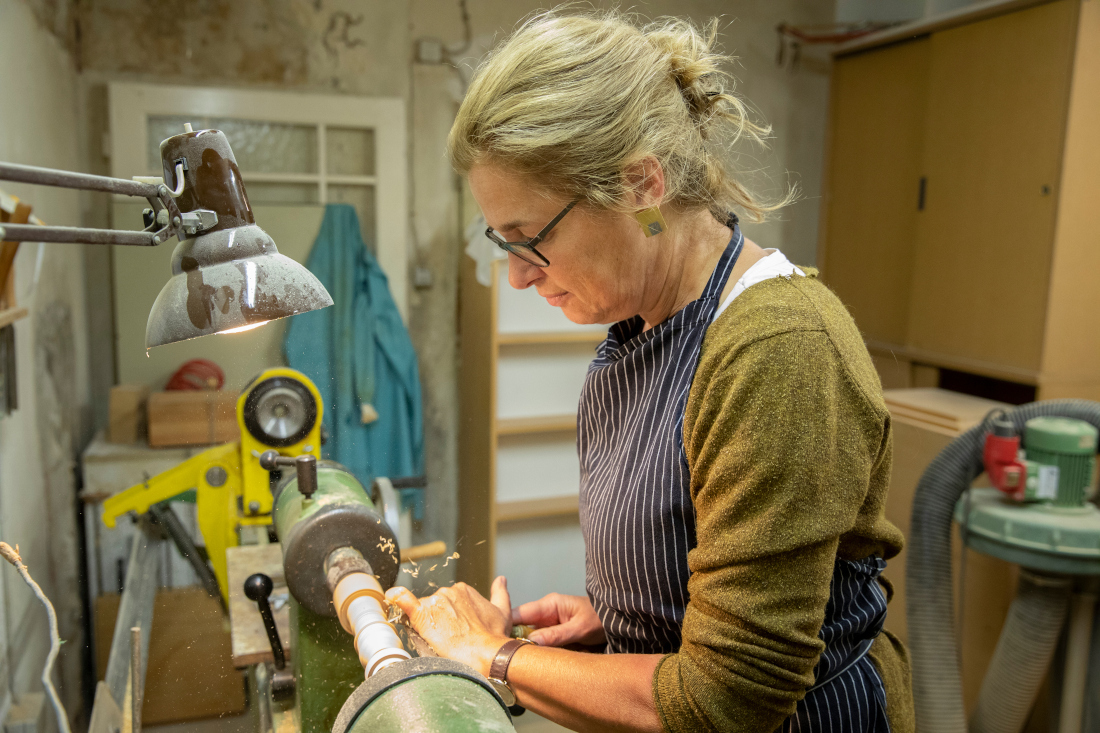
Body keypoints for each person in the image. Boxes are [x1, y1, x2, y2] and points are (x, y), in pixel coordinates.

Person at [386, 10, 914, 732]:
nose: (514, 277)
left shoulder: (779, 350)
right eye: (498, 241)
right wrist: (619, 623)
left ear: (641, 184)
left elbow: (728, 699)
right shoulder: (642, 329)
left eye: (530, 238)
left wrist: (493, 654)